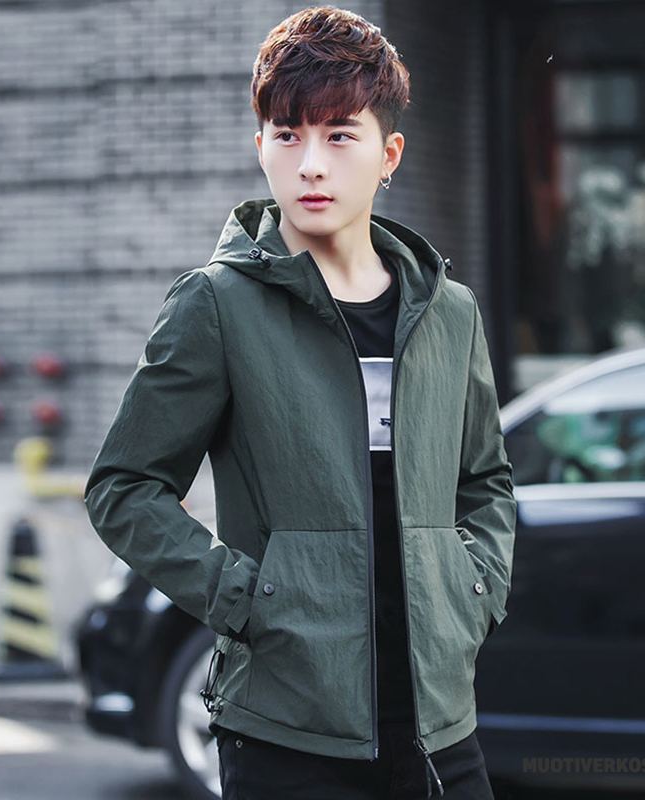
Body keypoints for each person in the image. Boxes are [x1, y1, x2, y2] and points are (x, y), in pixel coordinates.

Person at [83, 5, 517, 799]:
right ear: (261, 147)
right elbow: (125, 488)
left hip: (440, 729)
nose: (311, 164)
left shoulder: (450, 312)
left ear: (389, 154)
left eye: (339, 135)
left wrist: (474, 590)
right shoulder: (216, 305)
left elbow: (484, 480)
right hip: (286, 732)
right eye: (288, 136)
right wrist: (245, 598)